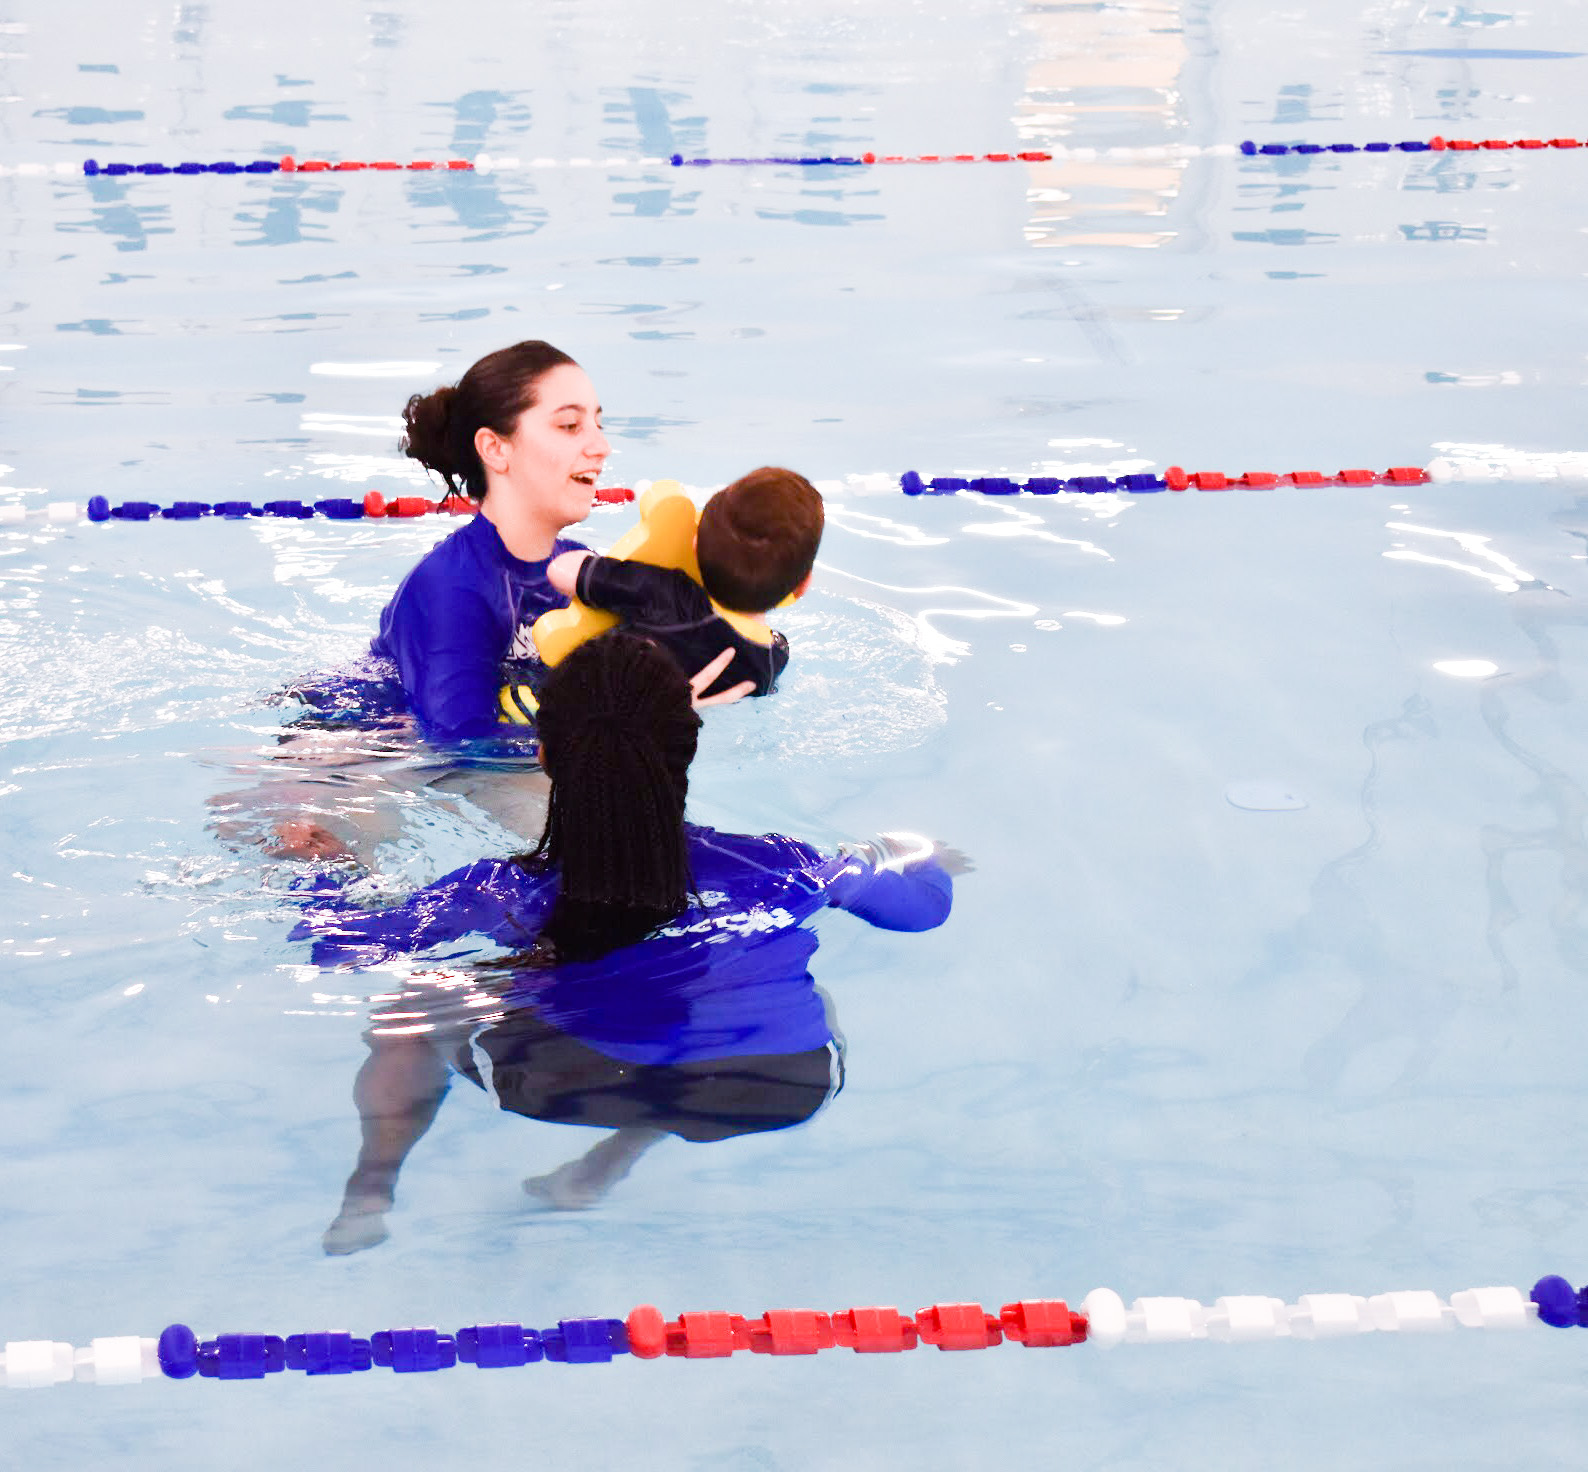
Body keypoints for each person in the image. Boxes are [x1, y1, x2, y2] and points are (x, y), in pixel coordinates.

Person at [291, 631, 955, 1254]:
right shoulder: (780, 867)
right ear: (688, 749)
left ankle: (370, 1192)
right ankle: (609, 1162)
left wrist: (322, 871)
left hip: (561, 1085)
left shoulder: (499, 891)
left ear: (545, 755)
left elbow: (340, 948)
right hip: (781, 1085)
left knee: (416, 1000)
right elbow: (925, 909)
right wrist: (884, 854)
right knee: (742, 990)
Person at [352, 339, 754, 744]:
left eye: (598, 424)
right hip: (343, 753)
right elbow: (460, 748)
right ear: (495, 448)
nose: (601, 447)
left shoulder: (580, 568)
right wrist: (642, 719)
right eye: (569, 426)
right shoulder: (450, 586)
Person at [545, 467, 824, 699]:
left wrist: (606, 563)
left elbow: (560, 570)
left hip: (585, 699)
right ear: (801, 587)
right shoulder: (774, 659)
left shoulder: (665, 593)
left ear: (694, 544)